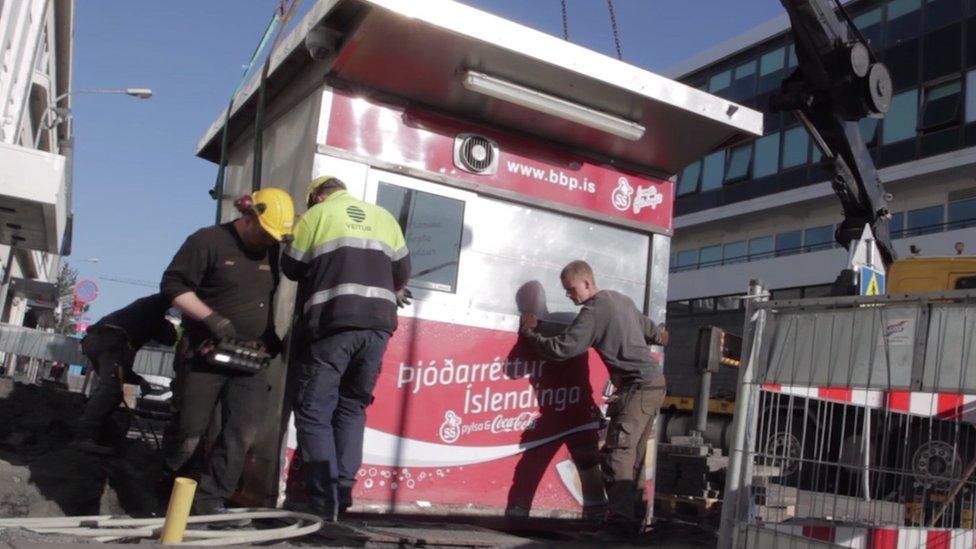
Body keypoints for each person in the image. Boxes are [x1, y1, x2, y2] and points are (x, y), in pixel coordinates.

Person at [281, 175, 410, 520]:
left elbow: (291, 267)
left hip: (334, 325)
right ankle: (343, 491)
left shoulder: (317, 216)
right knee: (352, 408)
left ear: (318, 197)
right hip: (378, 330)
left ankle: (322, 502)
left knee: (314, 411)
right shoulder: (384, 217)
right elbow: (402, 273)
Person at [159, 187, 295, 516]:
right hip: (205, 353)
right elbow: (173, 286)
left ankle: (209, 502)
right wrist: (211, 318)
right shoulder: (207, 241)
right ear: (249, 216)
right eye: (266, 232)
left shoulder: (272, 250)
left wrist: (270, 336)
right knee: (191, 430)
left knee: (242, 431)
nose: (269, 241)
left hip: (249, 358)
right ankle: (169, 489)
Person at [519, 260, 668, 538]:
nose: (568, 295)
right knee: (633, 457)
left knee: (617, 455)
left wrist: (530, 334)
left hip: (637, 387)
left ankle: (619, 526)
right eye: (565, 291)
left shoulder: (594, 310)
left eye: (571, 289)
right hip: (653, 385)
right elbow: (653, 333)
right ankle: (634, 523)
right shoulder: (620, 299)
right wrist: (660, 334)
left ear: (587, 283)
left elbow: (563, 349)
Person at [72, 293, 178, 454]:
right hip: (109, 339)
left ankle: (97, 433)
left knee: (112, 389)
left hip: (95, 340)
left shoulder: (136, 322)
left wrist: (139, 380)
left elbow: (122, 369)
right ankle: (84, 437)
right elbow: (170, 336)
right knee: (110, 391)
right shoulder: (152, 314)